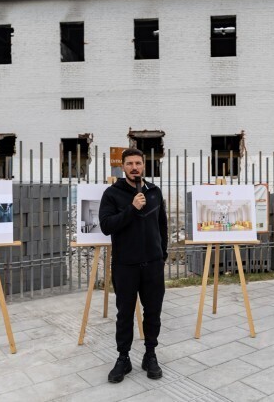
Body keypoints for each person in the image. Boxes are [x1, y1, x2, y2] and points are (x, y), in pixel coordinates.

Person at [99, 148, 168, 383]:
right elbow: (107, 225)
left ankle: (150, 354)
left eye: (138, 163)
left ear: (144, 166)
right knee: (125, 314)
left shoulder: (154, 192)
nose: (134, 167)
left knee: (153, 313)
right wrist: (132, 208)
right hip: (125, 265)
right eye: (130, 163)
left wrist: (162, 256)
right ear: (123, 166)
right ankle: (123, 358)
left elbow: (162, 227)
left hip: (153, 265)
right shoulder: (112, 194)